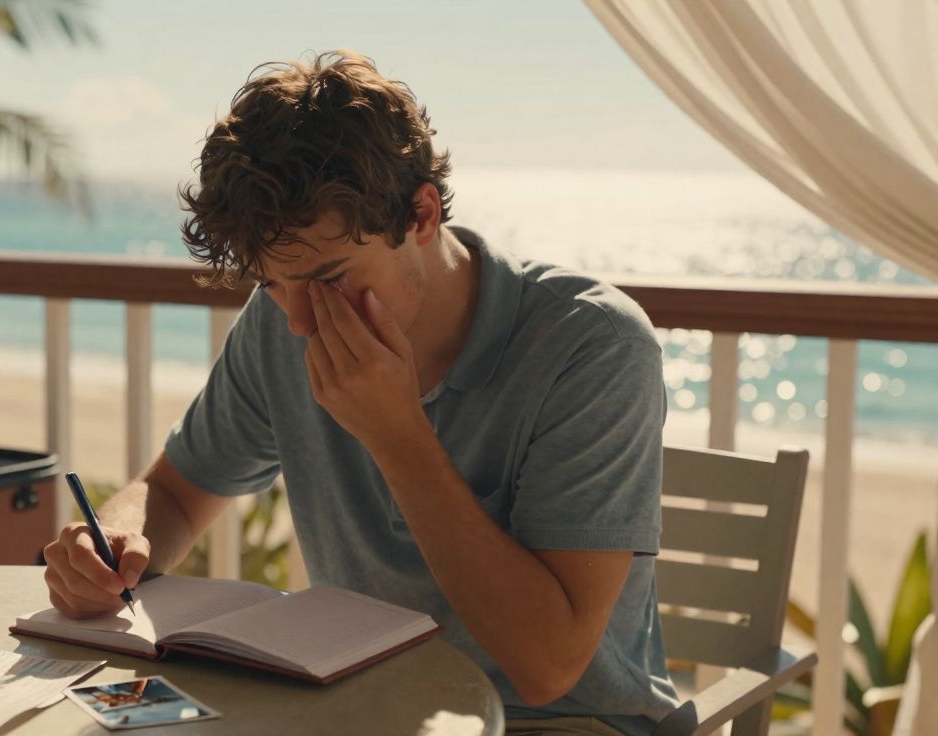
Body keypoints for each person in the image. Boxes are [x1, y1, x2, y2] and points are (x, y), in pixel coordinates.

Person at [44, 50, 679, 735]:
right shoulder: (281, 325)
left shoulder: (592, 346)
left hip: (563, 724)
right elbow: (174, 493)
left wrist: (396, 435)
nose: (297, 320)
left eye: (328, 277)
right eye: (269, 283)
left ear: (423, 215)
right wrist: (113, 541)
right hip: (361, 709)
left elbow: (548, 667)